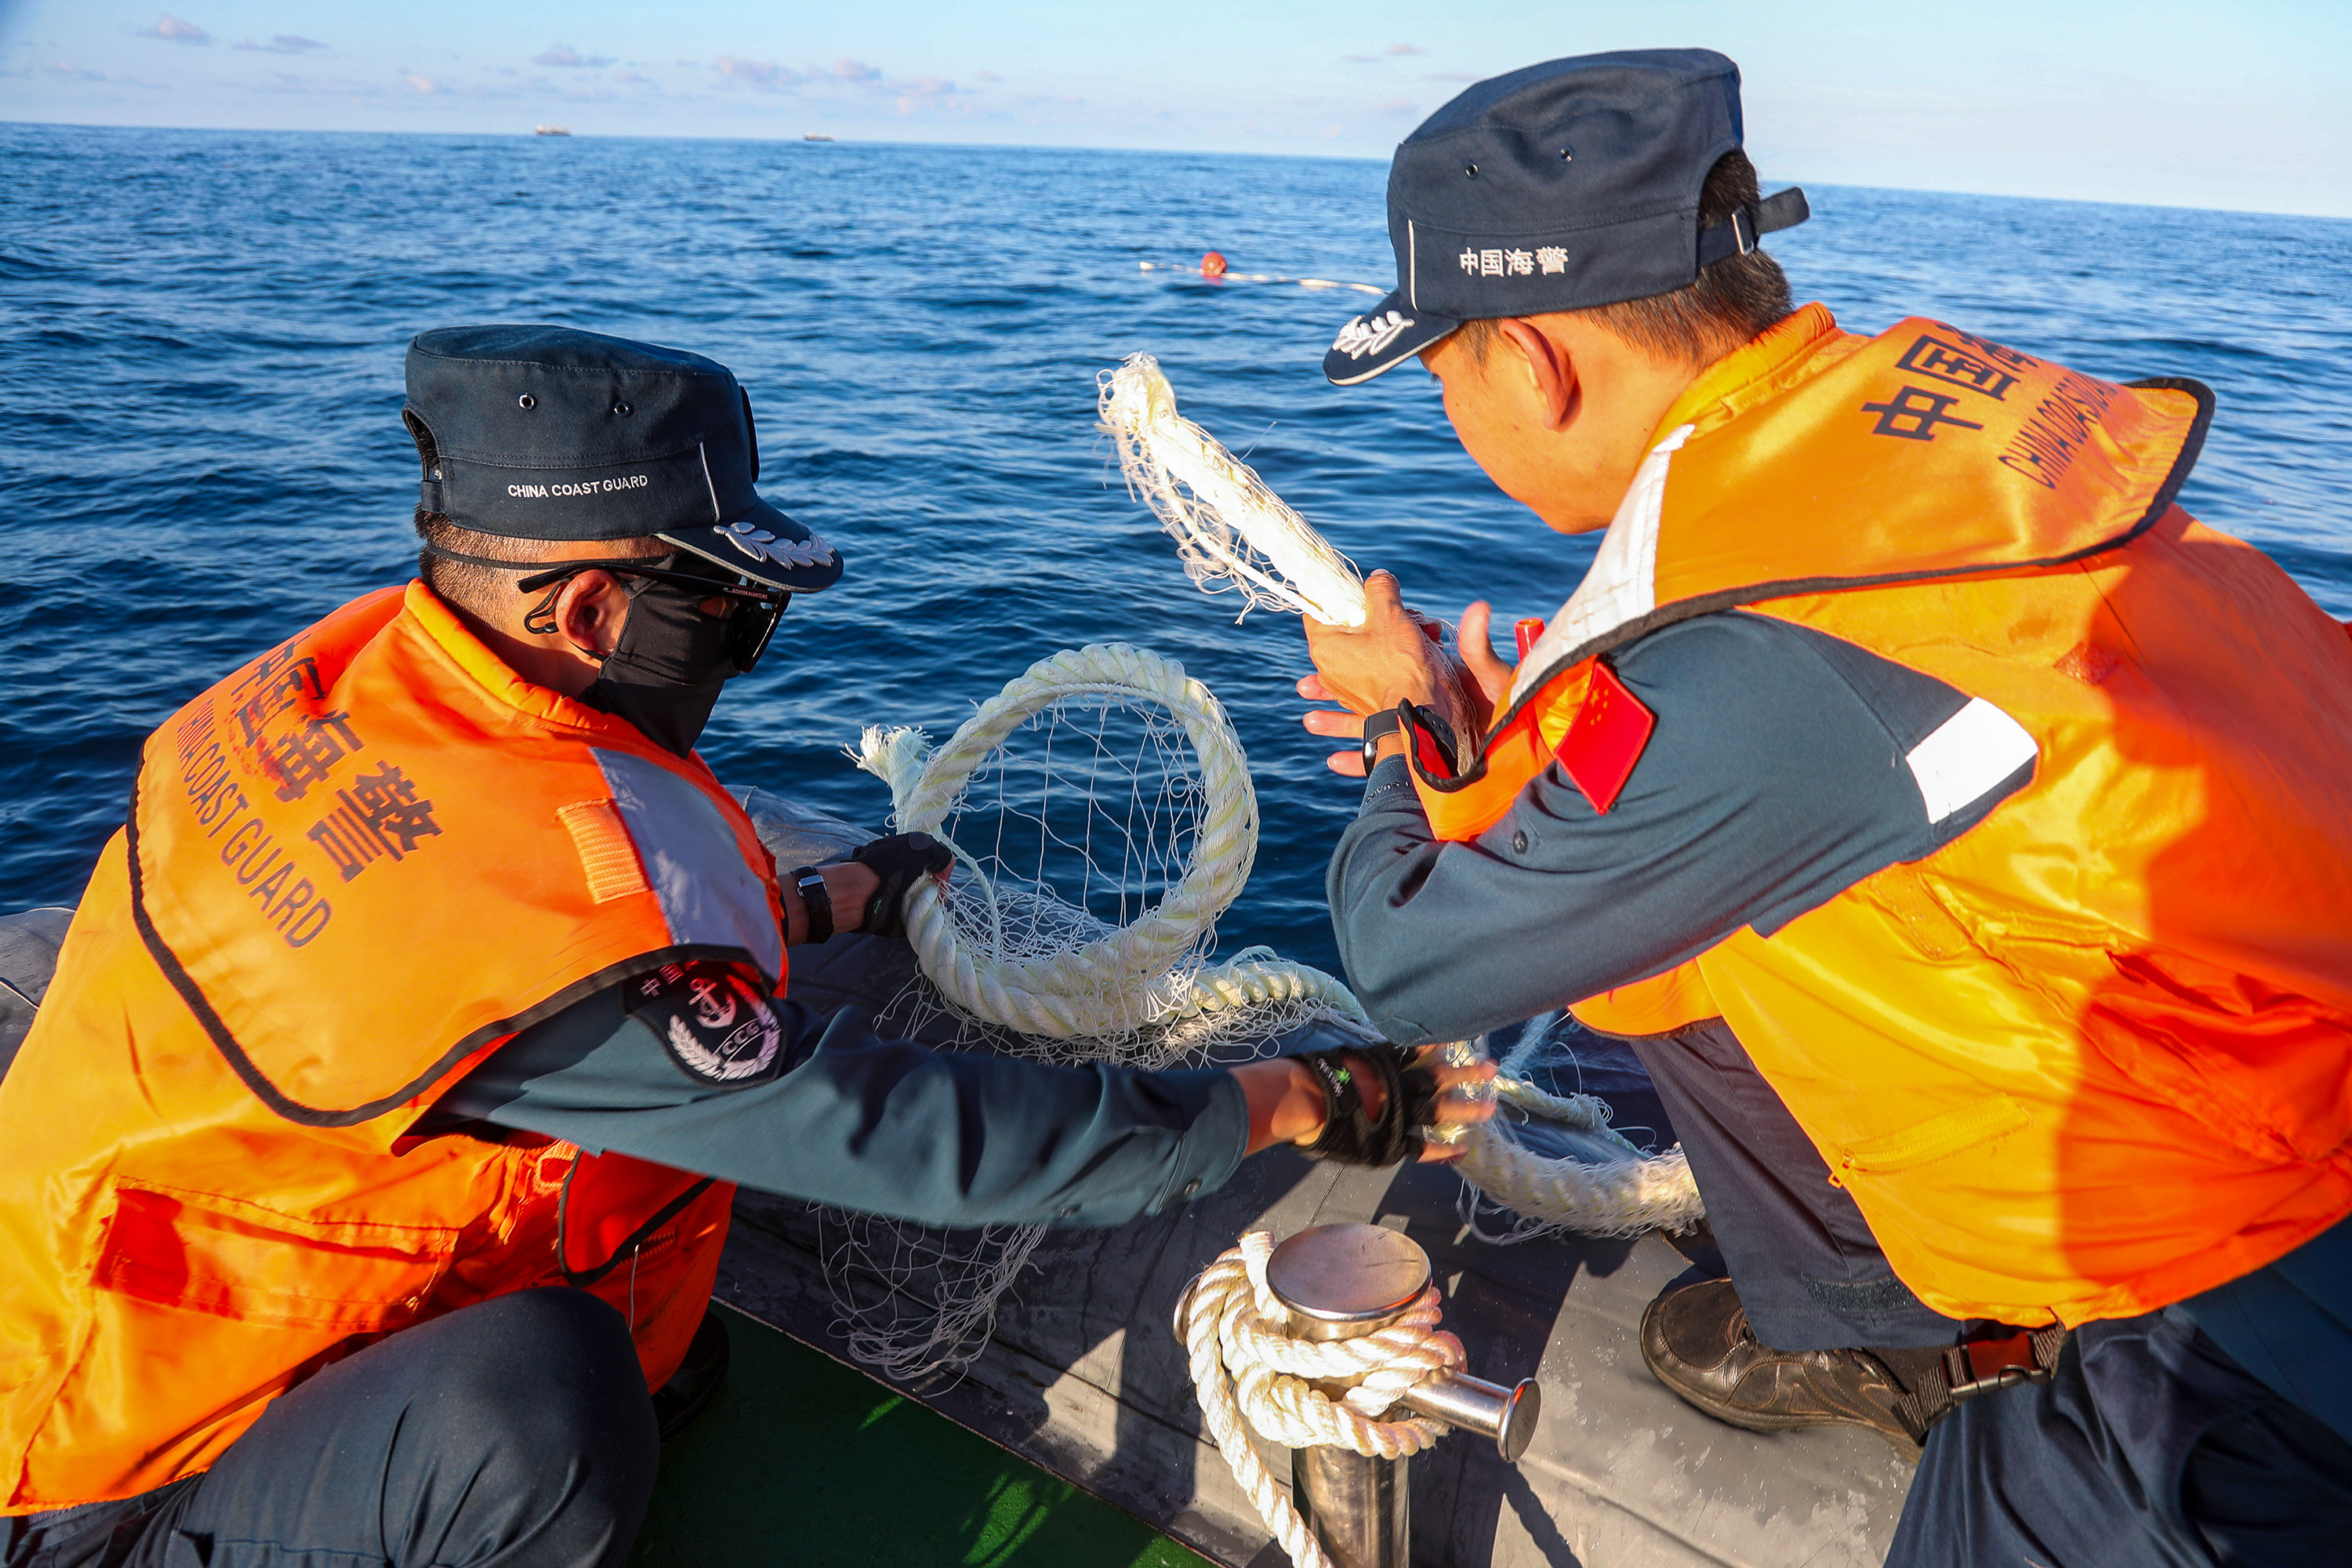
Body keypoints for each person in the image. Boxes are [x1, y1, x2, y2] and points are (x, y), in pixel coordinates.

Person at [0, 325, 1491, 1568]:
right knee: (552, 1412)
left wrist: (815, 903)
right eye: (729, 619)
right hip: (106, 1467)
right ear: (589, 608)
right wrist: (1298, 1099)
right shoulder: (524, 894)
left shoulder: (337, 691)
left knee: (665, 1360)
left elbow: (448, 950)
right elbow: (905, 1134)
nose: (738, 654)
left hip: (119, 1299)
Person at [1298, 49, 2352, 1566]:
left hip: (2246, 1325)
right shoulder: (1924, 439)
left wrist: (1410, 721)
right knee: (1664, 947)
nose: (1454, 412)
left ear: (1532, 362)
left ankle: (1986, 1357)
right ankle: (1890, 1334)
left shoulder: (1756, 651)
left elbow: (1414, 956)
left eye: (1444, 373)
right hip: (2269, 1040)